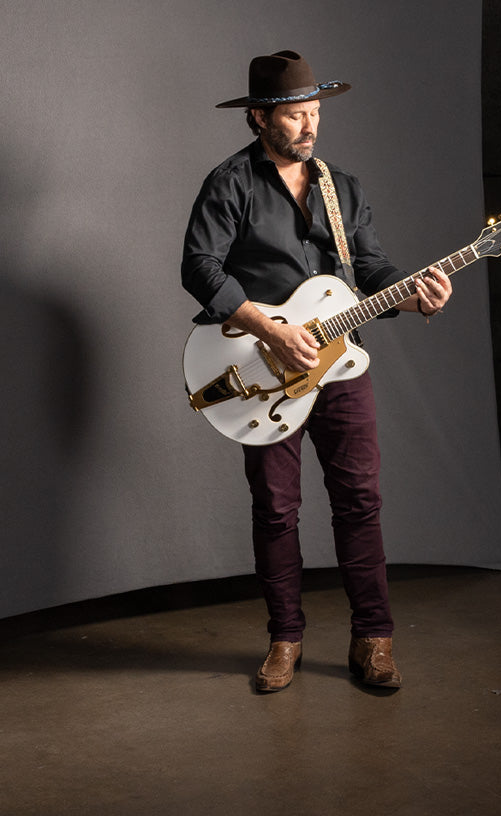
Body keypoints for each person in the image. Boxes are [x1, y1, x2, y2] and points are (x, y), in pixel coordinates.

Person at [181, 49, 451, 693]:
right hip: (264, 369)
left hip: (342, 363)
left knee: (360, 500)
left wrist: (412, 293)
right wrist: (269, 327)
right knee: (276, 509)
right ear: (258, 119)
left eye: (315, 114)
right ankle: (285, 640)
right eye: (296, 116)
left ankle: (374, 639)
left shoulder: (343, 186)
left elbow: (371, 270)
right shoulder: (229, 185)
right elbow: (199, 267)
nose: (310, 127)